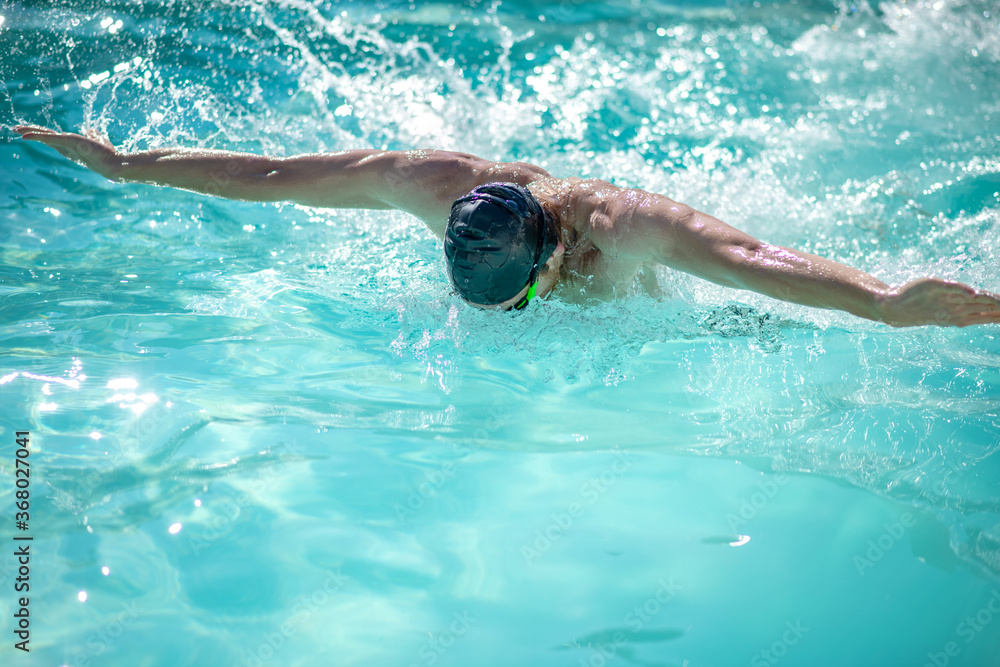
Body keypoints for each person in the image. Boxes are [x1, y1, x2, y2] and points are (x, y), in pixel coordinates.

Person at [13, 124, 1000, 326]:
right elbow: (271, 174)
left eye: (518, 298)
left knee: (743, 317)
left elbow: (754, 257)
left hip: (656, 310)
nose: (507, 311)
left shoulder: (631, 229)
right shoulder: (429, 180)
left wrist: (883, 299)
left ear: (553, 255)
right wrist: (134, 166)